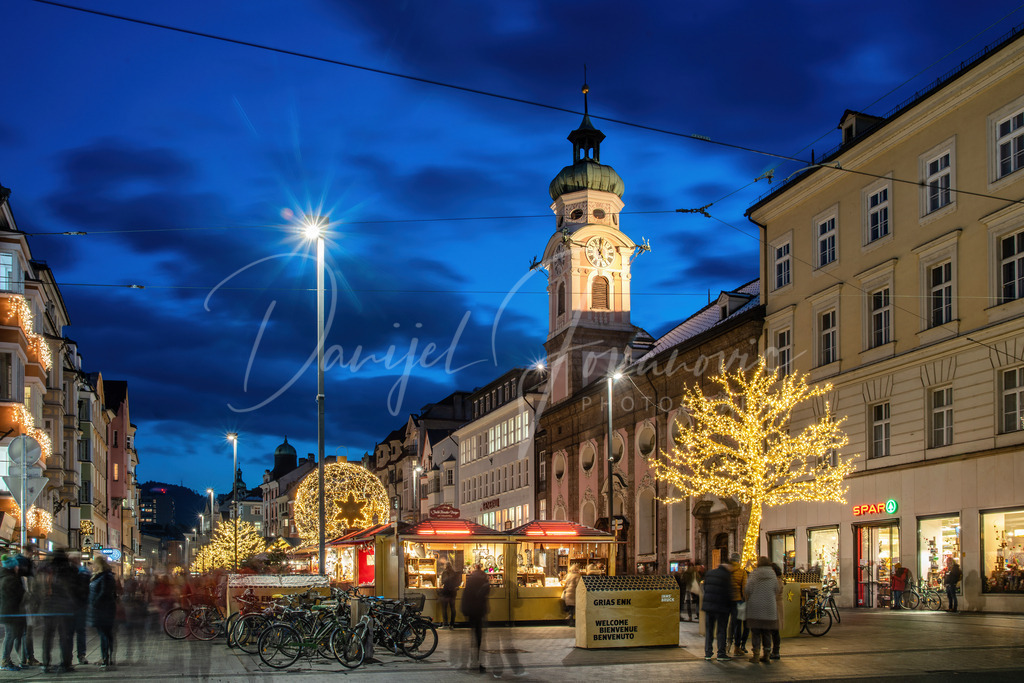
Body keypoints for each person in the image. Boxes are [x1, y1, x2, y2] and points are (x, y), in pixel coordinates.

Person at [39, 550, 76, 673]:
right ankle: (65, 663)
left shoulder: (47, 569)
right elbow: (73, 588)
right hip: (64, 608)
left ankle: (46, 663)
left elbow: (39, 588)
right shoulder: (69, 570)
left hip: (48, 607)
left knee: (48, 636)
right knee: (65, 636)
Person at [744, 556, 781, 665]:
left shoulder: (754, 574)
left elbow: (747, 589)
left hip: (755, 607)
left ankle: (755, 656)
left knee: (756, 632)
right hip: (769, 608)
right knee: (767, 633)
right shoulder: (773, 575)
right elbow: (777, 589)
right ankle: (767, 655)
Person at [700, 556, 733, 661]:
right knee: (721, 630)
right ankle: (721, 653)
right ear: (727, 566)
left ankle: (708, 653)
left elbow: (705, 588)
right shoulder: (726, 575)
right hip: (721, 607)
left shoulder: (710, 573)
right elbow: (728, 591)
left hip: (709, 607)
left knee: (709, 630)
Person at [88, 555, 118, 668]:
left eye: (94, 564)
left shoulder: (106, 576)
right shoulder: (100, 576)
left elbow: (104, 592)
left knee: (105, 634)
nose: (92, 566)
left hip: (104, 609)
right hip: (100, 608)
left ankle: (106, 658)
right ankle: (106, 657)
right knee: (104, 634)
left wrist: (95, 602)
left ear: (98, 565)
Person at [460, 563, 490, 674]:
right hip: (479, 611)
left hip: (471, 611)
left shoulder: (471, 580)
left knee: (474, 636)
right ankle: (477, 662)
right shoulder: (483, 581)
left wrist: (465, 610)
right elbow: (486, 593)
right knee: (479, 637)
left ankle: (473, 661)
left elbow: (466, 595)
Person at [0, 555, 26, 671]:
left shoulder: (5, 576)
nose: (17, 568)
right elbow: (18, 595)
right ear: (12, 567)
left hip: (8, 611)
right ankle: (5, 660)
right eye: (16, 565)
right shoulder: (10, 579)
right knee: (10, 635)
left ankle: (7, 660)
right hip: (10, 612)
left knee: (11, 635)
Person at [728, 553, 749, 656]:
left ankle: (727, 645)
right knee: (738, 624)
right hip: (738, 601)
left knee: (729, 623)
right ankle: (737, 647)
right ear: (739, 561)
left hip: (727, 600)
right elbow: (744, 588)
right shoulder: (742, 572)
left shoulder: (726, 572)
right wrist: (745, 599)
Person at [438, 561, 460, 629]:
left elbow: (442, 582)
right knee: (452, 608)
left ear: (446, 566)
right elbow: (458, 583)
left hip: (446, 592)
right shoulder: (455, 573)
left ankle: (445, 624)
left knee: (444, 608)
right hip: (453, 592)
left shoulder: (445, 572)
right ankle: (452, 624)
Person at [769, 563, 784, 660]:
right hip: (776, 606)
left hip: (775, 606)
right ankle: (774, 651)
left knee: (774, 631)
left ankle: (775, 651)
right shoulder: (778, 580)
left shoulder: (776, 581)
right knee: (774, 631)